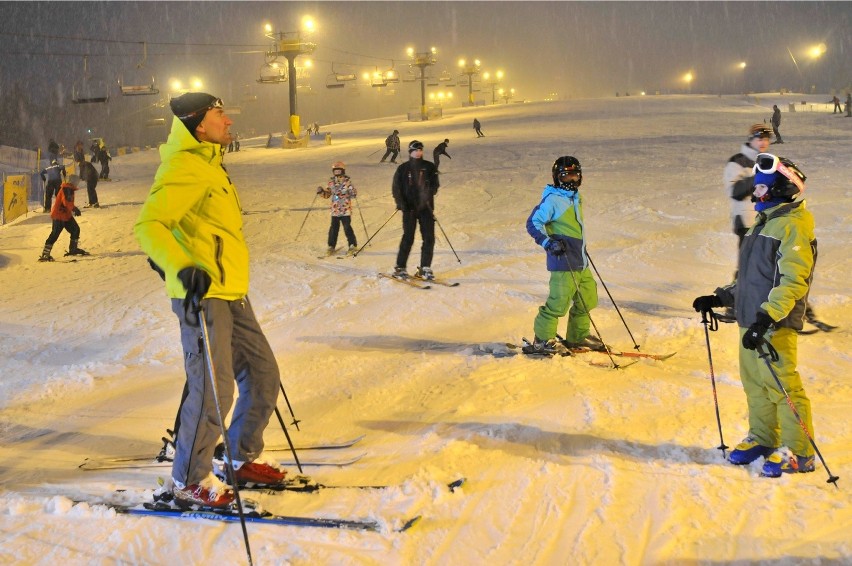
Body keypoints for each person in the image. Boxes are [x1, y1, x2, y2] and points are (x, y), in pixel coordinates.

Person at [134, 92, 286, 509]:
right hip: (203, 297)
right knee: (213, 389)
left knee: (262, 373)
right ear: (200, 123)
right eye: (221, 113)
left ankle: (237, 458)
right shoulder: (185, 165)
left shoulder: (210, 165)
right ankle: (187, 479)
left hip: (231, 290)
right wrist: (180, 265)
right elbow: (150, 226)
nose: (229, 120)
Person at [693, 153, 816, 478]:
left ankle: (800, 451)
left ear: (781, 189)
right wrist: (719, 297)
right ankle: (763, 438)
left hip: (773, 324)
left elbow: (793, 281)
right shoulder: (762, 226)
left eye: (762, 189)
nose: (755, 194)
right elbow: (748, 278)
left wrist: (767, 318)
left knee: (782, 387)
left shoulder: (792, 227)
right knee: (756, 386)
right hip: (751, 321)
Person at [525, 156, 601, 354]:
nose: (572, 181)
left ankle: (577, 336)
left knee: (588, 299)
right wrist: (548, 242)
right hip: (563, 260)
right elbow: (533, 223)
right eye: (567, 177)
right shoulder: (553, 199)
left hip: (580, 261)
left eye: (576, 176)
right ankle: (542, 340)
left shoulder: (575, 198)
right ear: (558, 178)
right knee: (558, 303)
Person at [391, 140, 440, 280]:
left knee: (429, 238)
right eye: (415, 150)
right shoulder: (403, 168)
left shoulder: (429, 167)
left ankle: (425, 268)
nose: (418, 152)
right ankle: (400, 268)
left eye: (420, 150)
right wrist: (401, 203)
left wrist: (429, 189)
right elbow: (396, 188)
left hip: (426, 208)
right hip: (409, 209)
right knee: (408, 237)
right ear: (410, 152)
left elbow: (435, 186)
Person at [38, 175, 88, 261]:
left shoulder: (70, 189)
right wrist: (74, 208)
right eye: (77, 181)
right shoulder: (67, 189)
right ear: (73, 181)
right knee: (55, 234)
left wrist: (72, 208)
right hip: (59, 215)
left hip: (66, 215)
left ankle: (73, 249)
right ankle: (45, 254)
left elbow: (68, 203)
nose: (78, 183)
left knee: (75, 229)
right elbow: (66, 202)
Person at [319, 161, 358, 255]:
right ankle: (331, 246)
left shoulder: (347, 182)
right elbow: (327, 195)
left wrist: (351, 189)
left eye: (339, 171)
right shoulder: (331, 183)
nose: (337, 173)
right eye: (335, 171)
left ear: (342, 171)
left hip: (345, 209)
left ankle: (352, 245)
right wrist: (321, 192)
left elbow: (353, 194)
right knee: (333, 228)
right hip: (335, 210)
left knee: (347, 227)